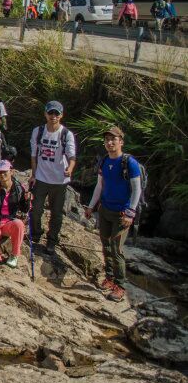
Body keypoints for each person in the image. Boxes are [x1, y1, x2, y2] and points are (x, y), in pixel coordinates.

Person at [85, 126, 141, 303]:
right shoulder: (104, 161)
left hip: (121, 213)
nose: (109, 143)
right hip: (105, 210)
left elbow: (136, 189)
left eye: (113, 139)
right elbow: (100, 185)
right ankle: (109, 278)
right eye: (107, 140)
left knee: (117, 250)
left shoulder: (129, 162)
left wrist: (130, 213)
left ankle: (120, 285)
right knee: (106, 246)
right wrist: (91, 206)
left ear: (121, 142)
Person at [28, 100, 76, 254]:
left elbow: (72, 155)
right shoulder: (38, 131)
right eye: (51, 113)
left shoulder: (66, 134)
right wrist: (33, 174)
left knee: (57, 213)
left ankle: (52, 240)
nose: (53, 116)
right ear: (45, 114)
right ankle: (35, 233)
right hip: (41, 178)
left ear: (61, 116)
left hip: (59, 181)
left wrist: (70, 168)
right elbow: (34, 155)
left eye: (56, 113)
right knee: (35, 209)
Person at [0, 160, 28, 274]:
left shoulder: (19, 187)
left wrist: (27, 200)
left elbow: (24, 209)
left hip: (7, 222)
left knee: (19, 224)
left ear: (11, 171)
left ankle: (14, 255)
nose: (2, 175)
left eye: (4, 172)